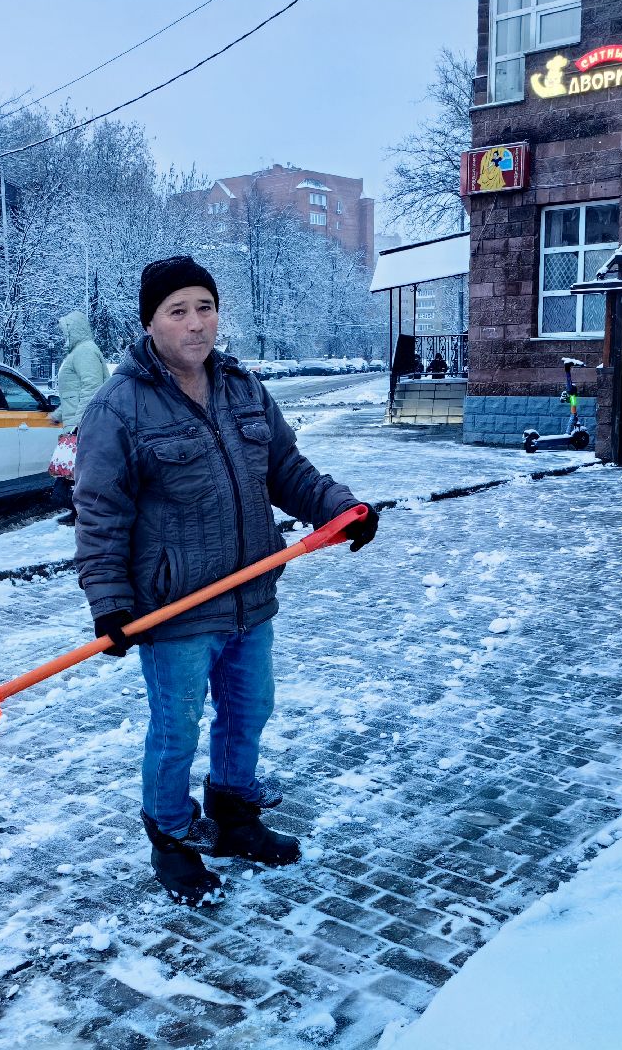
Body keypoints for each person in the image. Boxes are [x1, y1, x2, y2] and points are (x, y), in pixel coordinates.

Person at [73, 255, 378, 905]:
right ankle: (174, 840)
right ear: (149, 322)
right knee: (176, 729)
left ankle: (237, 819)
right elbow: (100, 516)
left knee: (248, 713)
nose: (195, 324)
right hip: (175, 609)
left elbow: (288, 470)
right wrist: (110, 605)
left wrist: (340, 508)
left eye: (204, 307)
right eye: (177, 311)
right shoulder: (118, 408)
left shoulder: (242, 389)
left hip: (250, 596)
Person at [48, 311, 110, 526]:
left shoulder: (84, 352)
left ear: (74, 330)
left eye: (65, 330)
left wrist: (79, 423)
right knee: (77, 472)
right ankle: (79, 512)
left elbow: (92, 388)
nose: (62, 334)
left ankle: (84, 513)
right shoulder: (78, 352)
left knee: (81, 472)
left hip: (85, 423)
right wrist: (57, 415)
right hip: (78, 421)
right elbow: (72, 394)